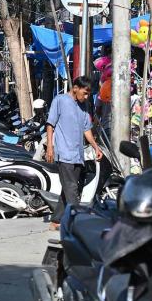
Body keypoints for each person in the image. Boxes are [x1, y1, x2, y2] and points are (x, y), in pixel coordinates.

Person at [45, 75, 104, 229]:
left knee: (70, 188)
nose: (85, 97)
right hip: (64, 153)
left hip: (78, 154)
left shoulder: (83, 107)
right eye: (84, 93)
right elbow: (50, 124)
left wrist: (96, 147)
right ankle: (78, 220)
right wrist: (50, 147)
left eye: (88, 95)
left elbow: (87, 130)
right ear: (75, 88)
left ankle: (56, 220)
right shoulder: (60, 100)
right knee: (71, 188)